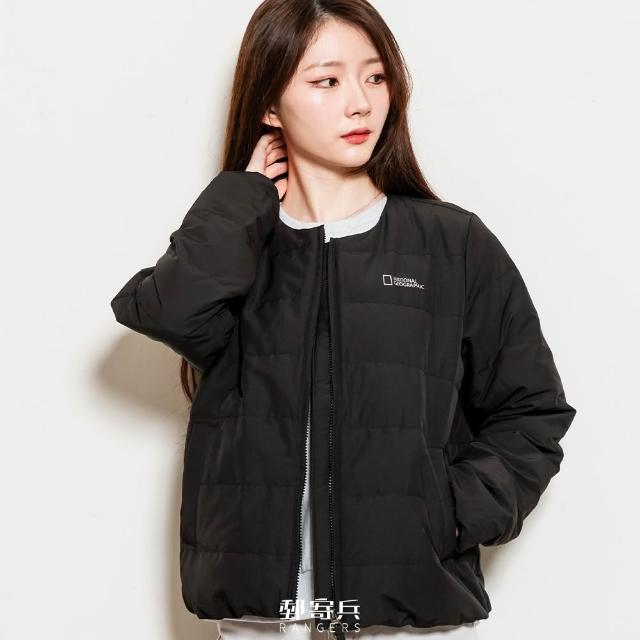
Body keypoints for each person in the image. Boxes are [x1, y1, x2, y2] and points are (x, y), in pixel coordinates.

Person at [109, 1, 577, 638]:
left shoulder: (451, 245)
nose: (360, 103)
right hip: (264, 614)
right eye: (326, 80)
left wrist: (450, 512)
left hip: (406, 611)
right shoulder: (240, 245)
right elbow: (167, 311)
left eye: (375, 76)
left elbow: (532, 409)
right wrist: (240, 198)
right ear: (269, 105)